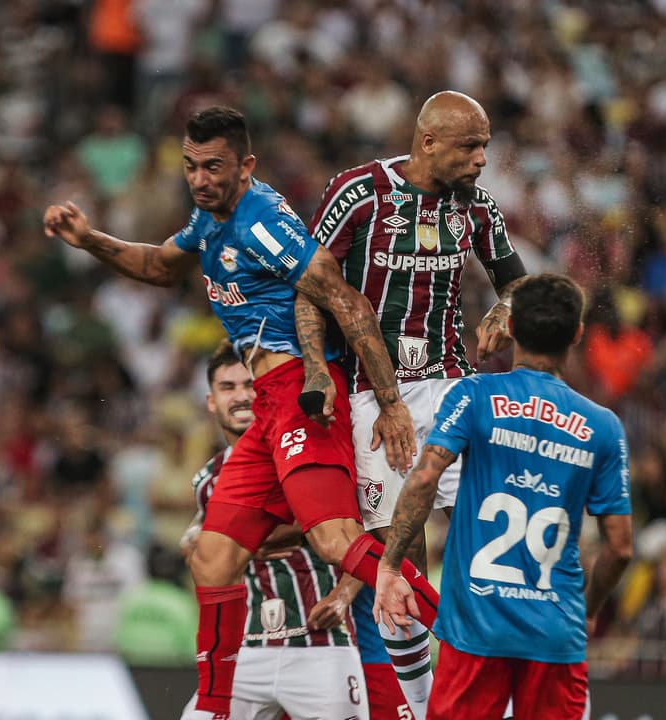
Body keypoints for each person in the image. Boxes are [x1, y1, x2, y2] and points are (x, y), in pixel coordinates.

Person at [42, 106, 429, 719]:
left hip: (304, 396)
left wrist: (389, 405)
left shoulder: (263, 225)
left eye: (214, 166)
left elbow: (344, 301)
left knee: (334, 541)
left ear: (246, 166)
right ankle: (217, 709)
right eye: (191, 166)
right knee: (213, 557)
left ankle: (460, 628)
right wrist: (89, 239)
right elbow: (159, 266)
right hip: (268, 411)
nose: (200, 178)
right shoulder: (209, 218)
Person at [300, 90, 527, 706]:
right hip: (375, 396)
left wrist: (505, 309)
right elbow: (311, 288)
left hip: (451, 385)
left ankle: (487, 678)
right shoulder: (358, 192)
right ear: (428, 142)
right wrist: (319, 369)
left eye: (485, 146)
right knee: (399, 554)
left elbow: (517, 281)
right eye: (471, 146)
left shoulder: (476, 205)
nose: (482, 159)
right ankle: (422, 703)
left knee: (483, 528)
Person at [373, 273, 634, 720]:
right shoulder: (603, 425)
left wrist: (391, 563)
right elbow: (621, 547)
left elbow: (422, 480)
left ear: (509, 329)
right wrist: (587, 610)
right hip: (555, 633)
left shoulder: (472, 395)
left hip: (475, 630)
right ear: (577, 334)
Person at [178, 341, 374, 720]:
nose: (240, 397)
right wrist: (195, 537)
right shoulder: (206, 480)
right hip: (246, 650)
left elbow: (363, 528)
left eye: (248, 385)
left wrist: (344, 593)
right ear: (211, 402)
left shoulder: (312, 451)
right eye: (227, 388)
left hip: (319, 644)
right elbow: (205, 552)